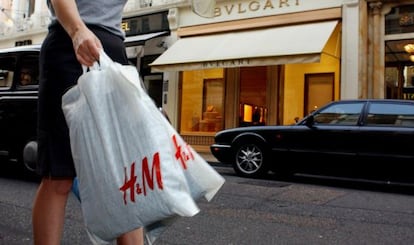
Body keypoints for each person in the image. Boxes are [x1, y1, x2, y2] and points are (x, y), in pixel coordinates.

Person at [31, 0, 144, 244]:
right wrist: (77, 30)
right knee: (59, 174)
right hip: (70, 42)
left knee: (125, 175)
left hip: (113, 51)